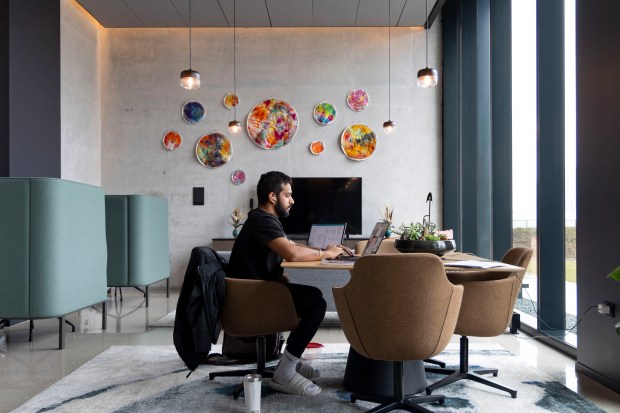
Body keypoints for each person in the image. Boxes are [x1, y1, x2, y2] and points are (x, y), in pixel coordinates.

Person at [227, 171, 346, 396]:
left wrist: (328, 250)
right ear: (273, 197)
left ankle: (289, 360)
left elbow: (292, 246)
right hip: (249, 299)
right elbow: (293, 253)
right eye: (288, 195)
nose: (292, 200)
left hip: (255, 293)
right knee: (315, 303)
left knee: (311, 296)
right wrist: (325, 253)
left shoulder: (263, 219)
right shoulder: (263, 220)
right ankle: (284, 373)